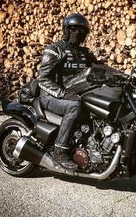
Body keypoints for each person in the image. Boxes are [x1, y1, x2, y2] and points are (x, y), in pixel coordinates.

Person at [38, 13, 100, 170]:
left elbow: (101, 69)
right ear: (66, 30)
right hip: (51, 96)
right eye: (73, 29)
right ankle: (60, 150)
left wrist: (122, 77)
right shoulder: (54, 50)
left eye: (81, 30)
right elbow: (43, 79)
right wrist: (62, 93)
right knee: (74, 106)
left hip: (75, 94)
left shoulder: (86, 53)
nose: (77, 33)